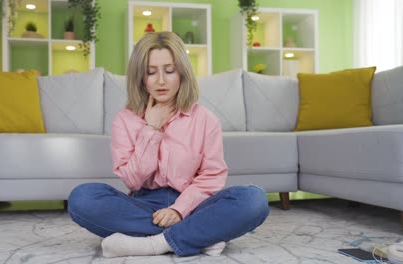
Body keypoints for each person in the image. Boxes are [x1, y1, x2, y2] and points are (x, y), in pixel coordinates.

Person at [67, 31, 269, 258]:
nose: (161, 80)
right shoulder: (124, 120)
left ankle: (152, 244)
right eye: (151, 72)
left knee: (254, 200)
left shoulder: (205, 119)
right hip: (142, 206)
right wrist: (151, 130)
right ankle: (200, 235)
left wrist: (178, 210)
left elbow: (211, 177)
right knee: (82, 198)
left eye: (169, 71)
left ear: (182, 73)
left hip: (193, 205)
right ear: (140, 78)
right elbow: (132, 180)